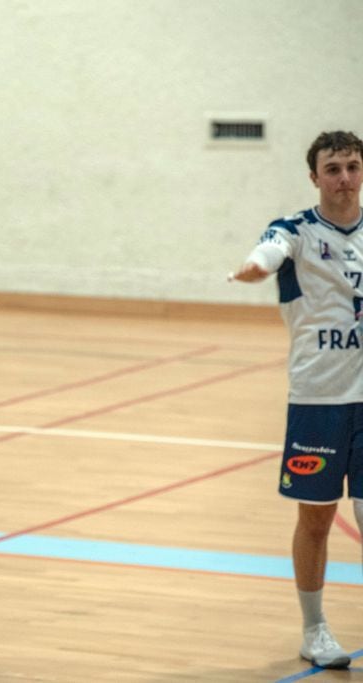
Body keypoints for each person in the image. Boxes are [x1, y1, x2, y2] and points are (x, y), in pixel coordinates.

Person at [232, 130, 363, 669]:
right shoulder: (298, 231)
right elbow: (270, 249)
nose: (345, 178)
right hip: (319, 399)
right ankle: (315, 630)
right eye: (333, 168)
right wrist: (255, 266)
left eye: (353, 166)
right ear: (315, 177)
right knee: (316, 518)